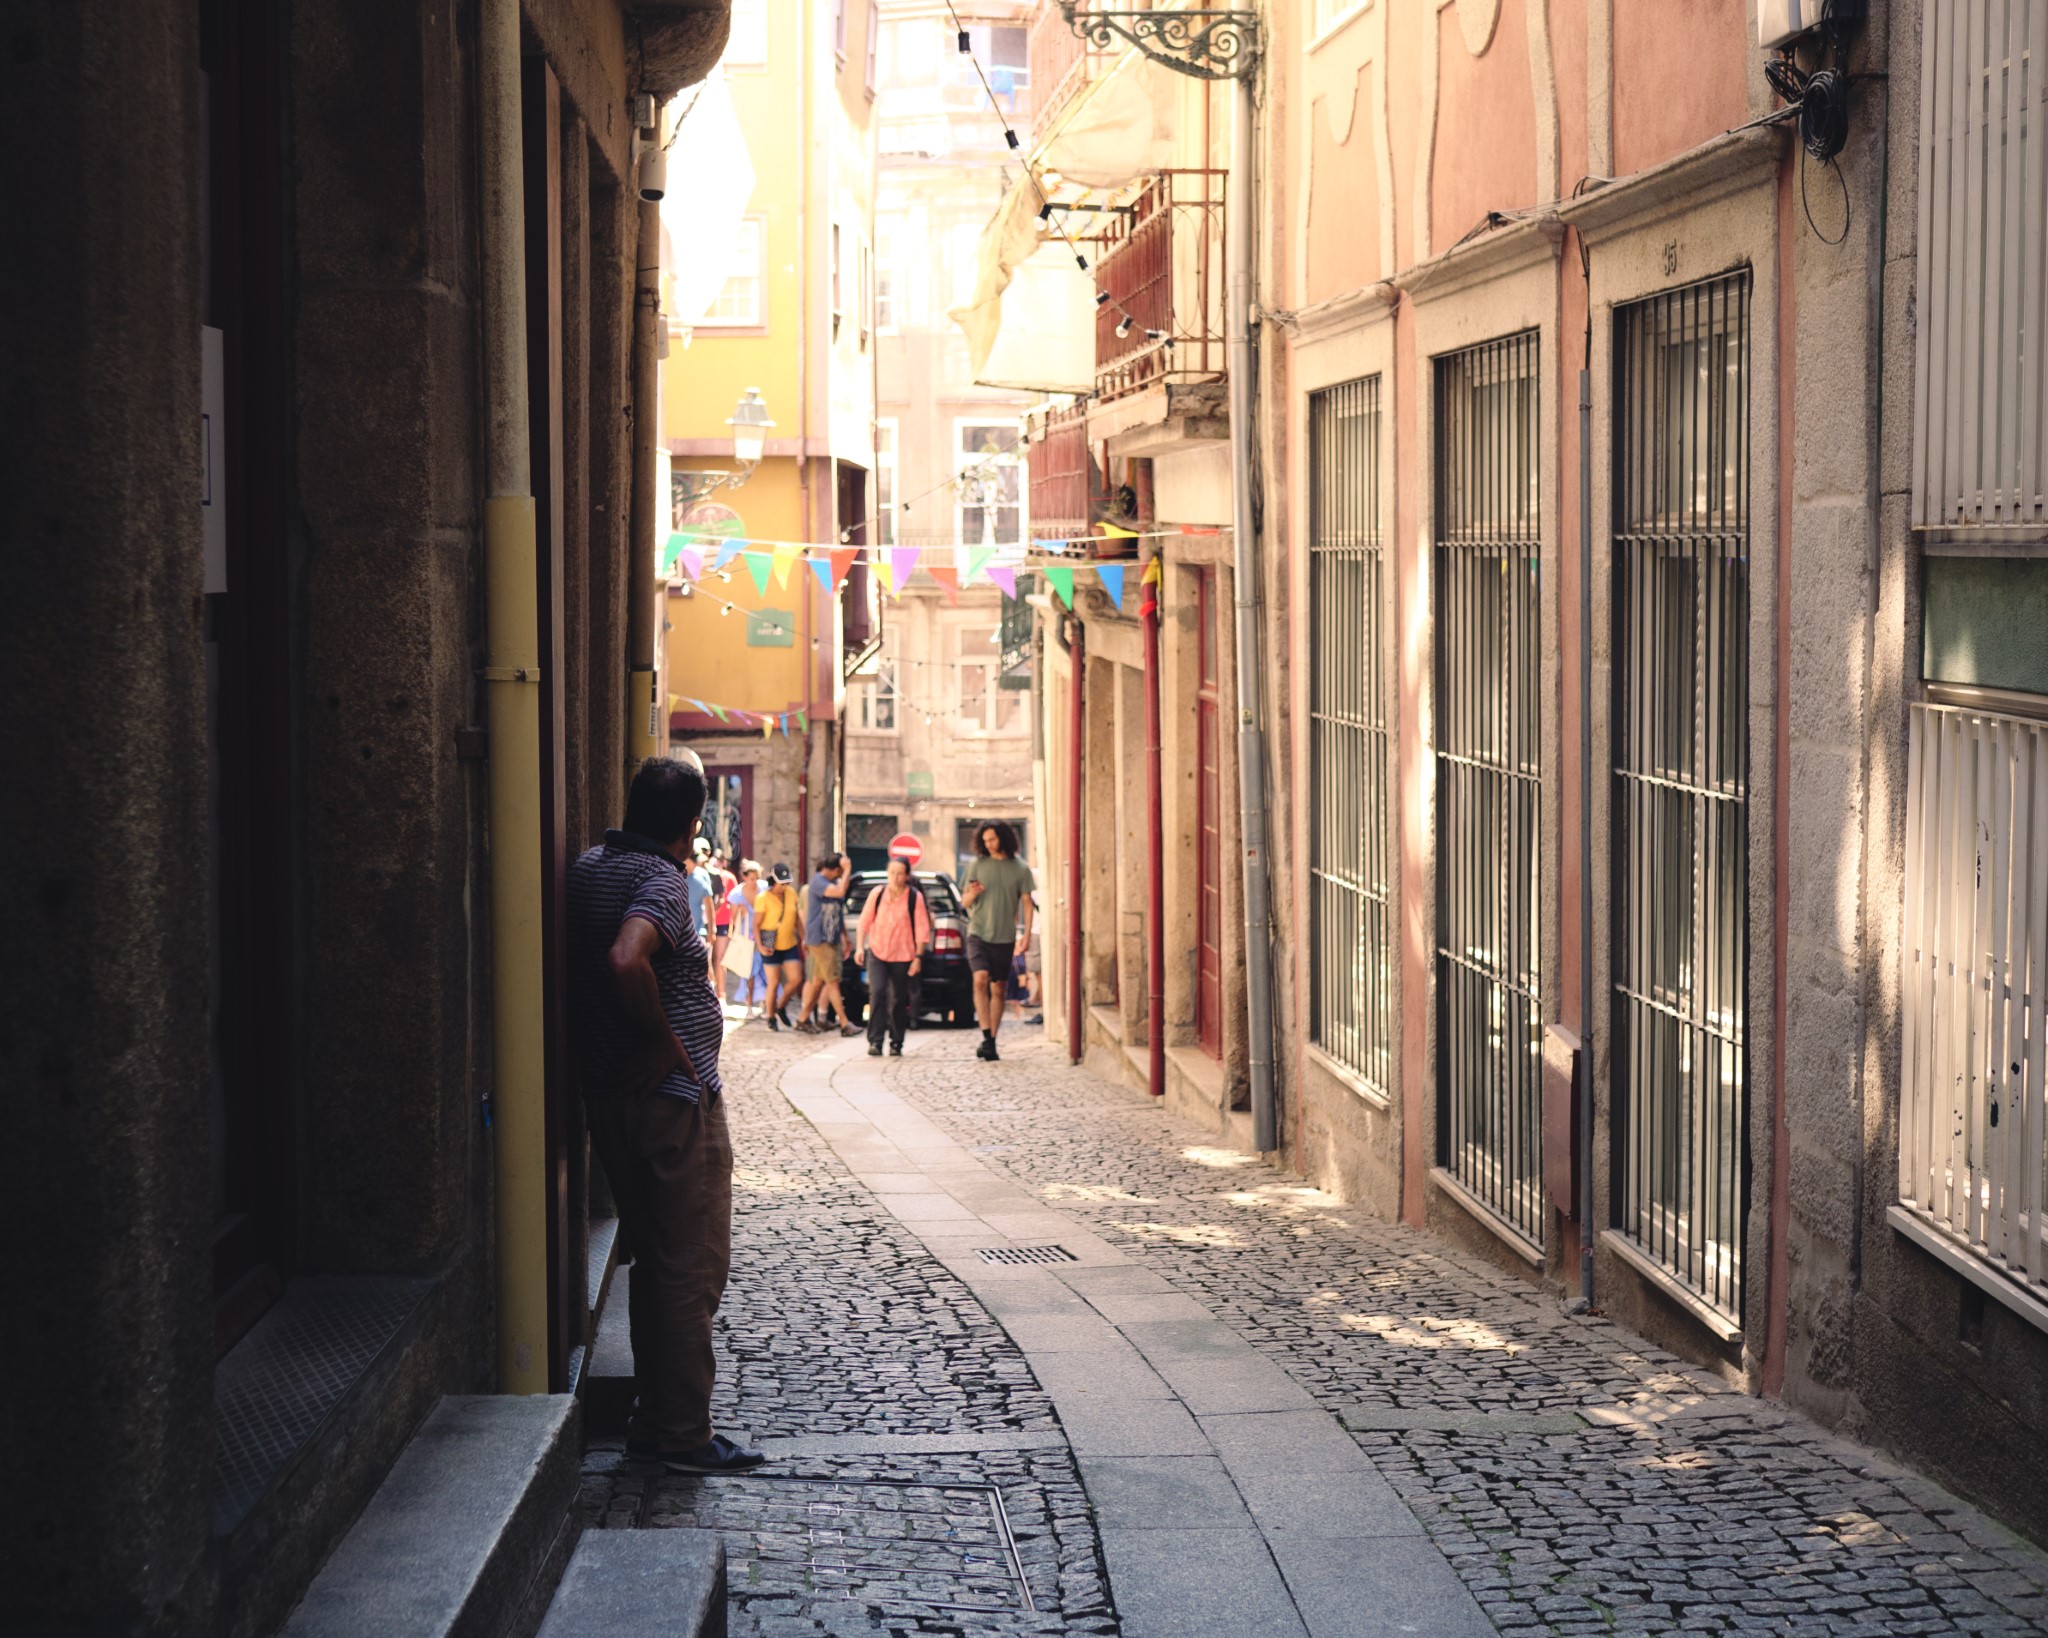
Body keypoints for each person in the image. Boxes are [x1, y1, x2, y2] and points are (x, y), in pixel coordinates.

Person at [564, 753, 763, 1473]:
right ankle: (680, 1434)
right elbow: (627, 957)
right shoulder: (660, 880)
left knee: (655, 1259)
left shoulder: (590, 867)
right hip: (671, 1102)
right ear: (691, 824)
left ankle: (657, 1421)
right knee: (691, 1264)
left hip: (611, 1094)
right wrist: (661, 1040)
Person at [961, 822, 1035, 1061]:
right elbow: (964, 902)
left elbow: (1027, 903)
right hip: (978, 932)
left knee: (998, 987)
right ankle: (985, 1034)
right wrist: (973, 893)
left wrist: (1026, 935)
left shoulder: (1020, 868)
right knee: (980, 978)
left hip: (1004, 936)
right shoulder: (976, 865)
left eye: (992, 839)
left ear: (1003, 838)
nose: (989, 844)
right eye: (985, 841)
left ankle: (991, 1041)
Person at [854, 857, 932, 1057]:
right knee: (877, 992)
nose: (896, 877)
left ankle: (896, 1042)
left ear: (906, 876)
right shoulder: (878, 893)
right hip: (877, 951)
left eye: (900, 874)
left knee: (898, 999)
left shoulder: (914, 897)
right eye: (892, 873)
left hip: (903, 954)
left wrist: (918, 957)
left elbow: (922, 929)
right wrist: (859, 948)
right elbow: (864, 922)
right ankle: (875, 1040)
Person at [795, 853, 858, 1036]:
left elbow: (838, 912)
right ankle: (845, 1023)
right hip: (820, 939)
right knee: (832, 980)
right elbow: (840, 892)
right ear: (836, 870)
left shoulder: (833, 884)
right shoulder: (818, 882)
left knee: (819, 981)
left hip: (830, 939)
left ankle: (803, 1018)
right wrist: (848, 870)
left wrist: (844, 936)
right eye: (841, 872)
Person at [754, 863, 804, 1030]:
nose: (784, 886)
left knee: (796, 978)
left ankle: (781, 1006)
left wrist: (804, 938)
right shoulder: (762, 898)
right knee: (774, 982)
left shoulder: (791, 893)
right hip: (770, 942)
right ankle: (771, 1016)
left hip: (789, 943)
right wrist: (760, 946)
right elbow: (756, 925)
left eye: (787, 883)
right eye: (781, 883)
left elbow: (797, 920)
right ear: (773, 881)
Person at [721, 860, 766, 1015]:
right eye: (752, 878)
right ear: (745, 877)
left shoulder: (764, 888)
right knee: (749, 972)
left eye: (757, 878)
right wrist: (741, 911)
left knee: (765, 969)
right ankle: (750, 1005)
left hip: (763, 932)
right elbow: (734, 919)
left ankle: (764, 1003)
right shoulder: (737, 894)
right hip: (747, 936)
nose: (755, 882)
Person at [684, 838, 717, 947]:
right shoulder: (675, 875)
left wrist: (712, 930)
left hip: (698, 933)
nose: (698, 863)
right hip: (678, 935)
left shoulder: (703, 874)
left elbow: (709, 904)